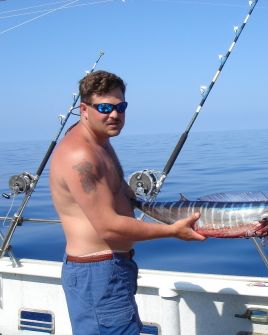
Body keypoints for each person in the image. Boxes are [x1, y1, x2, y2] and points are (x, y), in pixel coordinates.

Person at [49, 70, 206, 335]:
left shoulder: (99, 140)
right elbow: (108, 228)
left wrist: (122, 190)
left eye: (121, 107)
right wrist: (172, 230)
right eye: (105, 108)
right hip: (98, 274)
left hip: (112, 269)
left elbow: (105, 187)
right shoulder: (79, 154)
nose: (115, 114)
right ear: (83, 109)